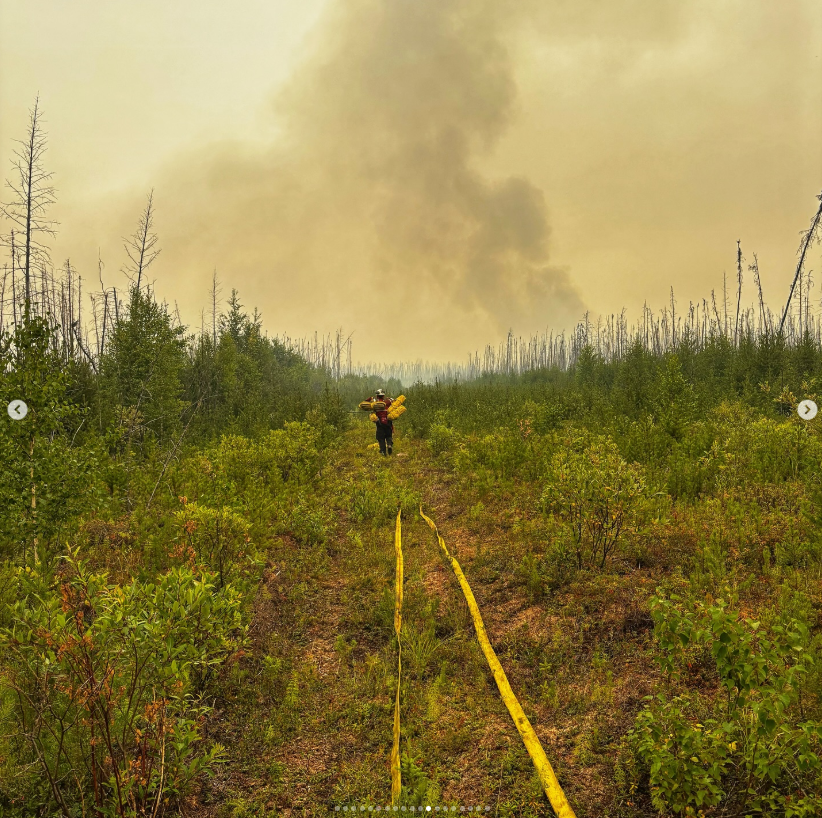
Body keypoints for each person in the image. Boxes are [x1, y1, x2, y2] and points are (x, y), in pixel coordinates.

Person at [369, 388, 394, 455]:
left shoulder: (375, 404)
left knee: (381, 438)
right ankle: (389, 445)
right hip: (388, 422)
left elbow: (368, 405)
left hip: (379, 423)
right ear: (383, 396)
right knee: (388, 435)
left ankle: (383, 451)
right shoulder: (387, 402)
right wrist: (389, 399)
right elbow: (394, 400)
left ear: (377, 396)